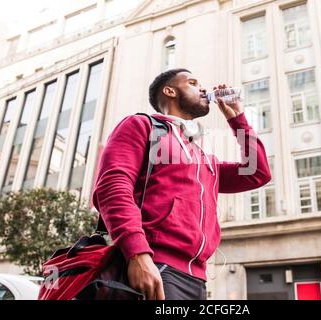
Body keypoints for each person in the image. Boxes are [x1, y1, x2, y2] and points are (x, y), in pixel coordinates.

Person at [92, 68, 272, 300]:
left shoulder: (206, 160)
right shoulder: (141, 125)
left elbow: (257, 173)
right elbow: (112, 187)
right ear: (170, 91)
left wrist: (237, 118)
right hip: (155, 266)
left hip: (197, 279)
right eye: (193, 83)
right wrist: (137, 254)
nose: (203, 89)